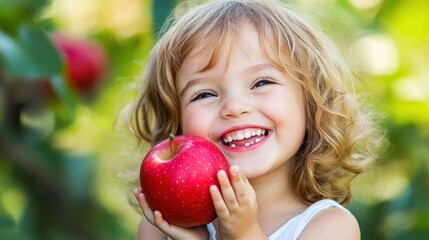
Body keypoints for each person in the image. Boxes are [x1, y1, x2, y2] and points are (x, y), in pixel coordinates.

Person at [128, 0, 383, 239]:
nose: (234, 107)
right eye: (204, 94)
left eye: (262, 82)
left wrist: (243, 235)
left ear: (312, 101)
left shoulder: (330, 227)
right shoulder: (160, 229)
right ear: (176, 121)